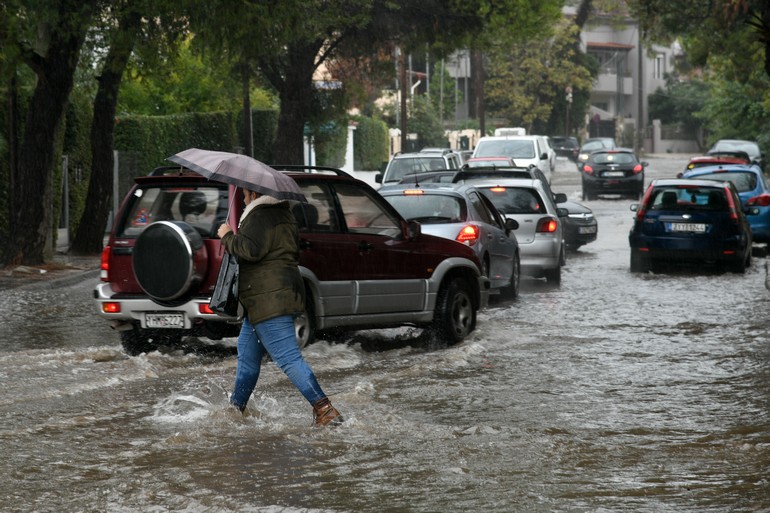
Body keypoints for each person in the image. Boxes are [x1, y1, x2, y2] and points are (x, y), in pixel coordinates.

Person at [217, 187, 343, 427]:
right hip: (271, 296)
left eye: (245, 194)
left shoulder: (260, 215)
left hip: (268, 298)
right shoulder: (284, 214)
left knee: (288, 357)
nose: (243, 199)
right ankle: (235, 411)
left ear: (255, 195)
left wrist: (227, 236)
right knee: (247, 358)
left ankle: (325, 410)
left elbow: (250, 250)